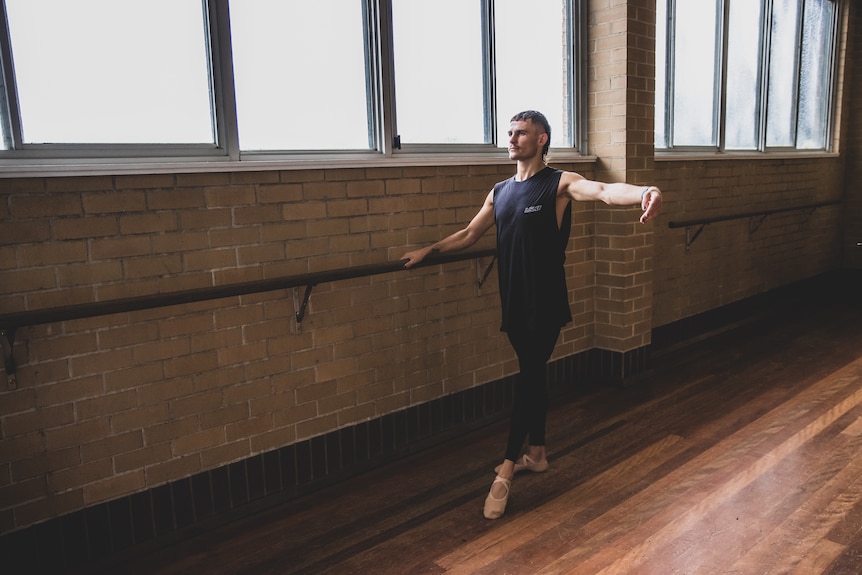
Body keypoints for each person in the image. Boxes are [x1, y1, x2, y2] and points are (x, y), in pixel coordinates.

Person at [401, 110, 663, 520]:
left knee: (528, 378)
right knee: (534, 373)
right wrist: (429, 250)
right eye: (509, 133)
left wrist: (645, 191)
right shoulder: (501, 190)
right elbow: (470, 233)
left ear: (541, 140)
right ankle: (537, 453)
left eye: (521, 133)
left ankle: (507, 469)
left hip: (545, 302)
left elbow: (604, 191)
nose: (512, 139)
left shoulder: (559, 183)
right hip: (515, 300)